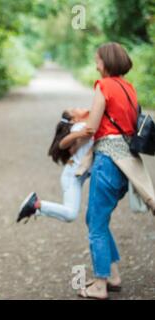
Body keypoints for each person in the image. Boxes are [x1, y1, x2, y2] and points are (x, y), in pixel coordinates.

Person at [78, 42, 140, 299]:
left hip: (106, 162)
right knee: (97, 219)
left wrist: (70, 140)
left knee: (96, 223)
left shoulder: (103, 86)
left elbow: (92, 127)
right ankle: (113, 275)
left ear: (106, 62)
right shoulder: (129, 88)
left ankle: (100, 284)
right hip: (126, 163)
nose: (96, 64)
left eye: (98, 60)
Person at [17, 108, 94, 223]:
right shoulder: (79, 127)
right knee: (71, 214)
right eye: (74, 110)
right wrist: (79, 134)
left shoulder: (85, 124)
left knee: (70, 216)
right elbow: (62, 144)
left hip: (76, 175)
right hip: (71, 177)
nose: (78, 108)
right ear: (75, 119)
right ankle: (36, 204)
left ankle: (36, 209)